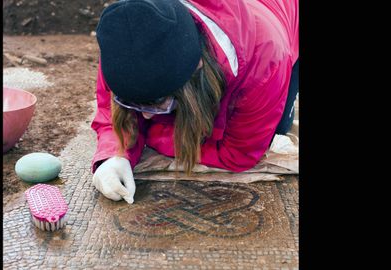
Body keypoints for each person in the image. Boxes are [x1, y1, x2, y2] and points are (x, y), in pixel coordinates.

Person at [91, 0, 299, 204]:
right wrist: (114, 155)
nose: (145, 116)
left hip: (279, 14)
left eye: (157, 102)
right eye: (135, 105)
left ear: (197, 67)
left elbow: (239, 153)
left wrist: (151, 135)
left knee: (276, 130)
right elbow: (109, 109)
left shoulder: (264, 62)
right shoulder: (126, 35)